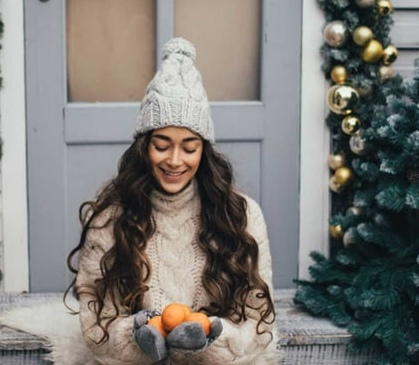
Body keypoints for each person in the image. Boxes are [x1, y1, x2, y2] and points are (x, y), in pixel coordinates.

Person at [66, 37, 277, 364]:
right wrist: (141, 333)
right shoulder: (110, 218)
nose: (175, 160)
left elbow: (259, 324)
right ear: (144, 147)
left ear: (204, 151)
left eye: (189, 147)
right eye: (162, 145)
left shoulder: (242, 215)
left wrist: (211, 332)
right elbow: (96, 326)